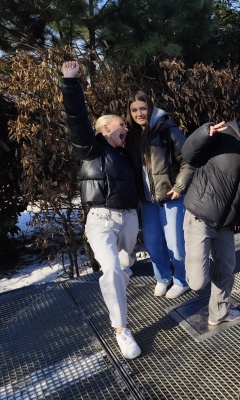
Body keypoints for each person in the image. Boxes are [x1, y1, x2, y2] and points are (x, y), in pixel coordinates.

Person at [60, 61, 141, 359]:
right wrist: (70, 82)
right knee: (111, 270)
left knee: (125, 261)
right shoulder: (91, 149)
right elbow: (76, 121)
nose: (126, 128)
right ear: (106, 128)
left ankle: (121, 272)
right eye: (122, 124)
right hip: (101, 220)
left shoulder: (124, 154)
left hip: (129, 218)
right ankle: (121, 329)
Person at [181, 103, 240, 326]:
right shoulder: (227, 133)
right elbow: (188, 155)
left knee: (226, 271)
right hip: (201, 215)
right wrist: (204, 134)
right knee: (197, 282)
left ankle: (218, 314)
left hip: (226, 223)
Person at [125, 91, 195, 298]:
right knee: (153, 244)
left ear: (151, 107)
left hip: (171, 198)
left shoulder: (167, 129)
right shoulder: (131, 134)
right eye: (134, 110)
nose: (139, 113)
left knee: (176, 244)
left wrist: (180, 186)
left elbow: (189, 159)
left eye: (143, 108)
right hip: (147, 201)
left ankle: (182, 280)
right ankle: (163, 277)